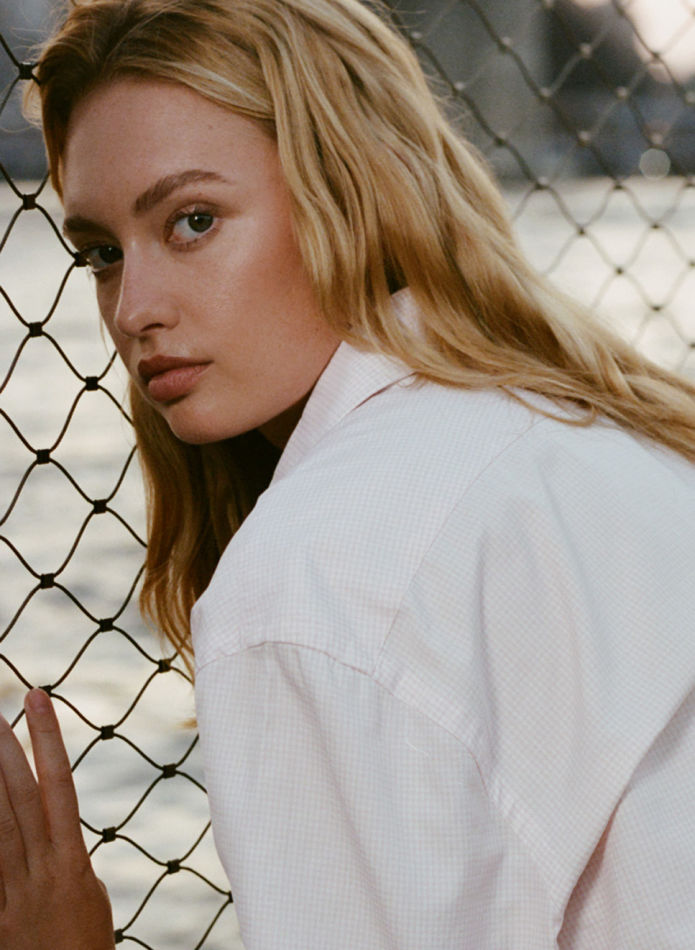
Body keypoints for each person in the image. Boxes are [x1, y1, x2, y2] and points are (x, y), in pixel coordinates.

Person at [2, 0, 695, 946]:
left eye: (193, 221)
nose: (134, 309)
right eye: (103, 254)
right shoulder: (610, 437)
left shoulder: (311, 580)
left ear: (353, 194)